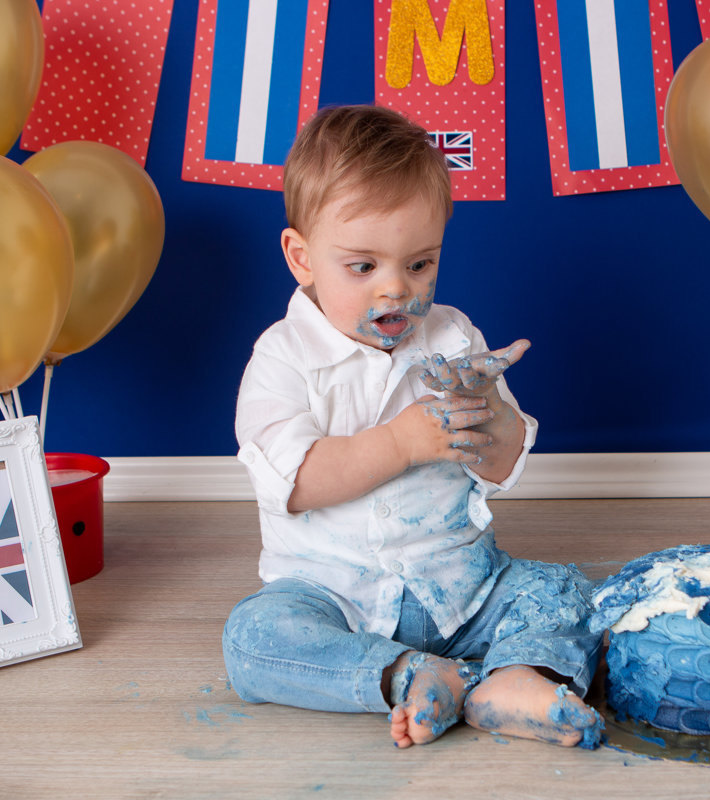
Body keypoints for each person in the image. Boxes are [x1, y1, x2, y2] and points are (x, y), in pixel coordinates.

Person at [223, 105, 603, 749]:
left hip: (463, 590)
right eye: (363, 267)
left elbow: (505, 461)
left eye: (419, 264)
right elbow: (294, 483)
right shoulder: (282, 358)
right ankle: (407, 673)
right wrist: (400, 442)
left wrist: (489, 419)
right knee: (253, 641)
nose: (395, 290)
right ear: (301, 257)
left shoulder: (454, 341)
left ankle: (511, 679)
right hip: (332, 596)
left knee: (565, 592)